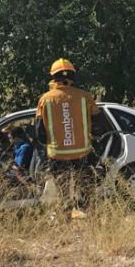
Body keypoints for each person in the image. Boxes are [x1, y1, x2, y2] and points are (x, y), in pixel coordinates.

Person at [35, 58, 105, 215]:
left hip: (57, 155)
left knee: (63, 190)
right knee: (85, 188)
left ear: (54, 77)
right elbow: (99, 125)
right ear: (73, 76)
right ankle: (86, 216)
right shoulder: (85, 97)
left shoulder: (45, 99)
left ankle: (66, 217)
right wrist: (93, 140)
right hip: (82, 153)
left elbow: (39, 132)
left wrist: (51, 144)